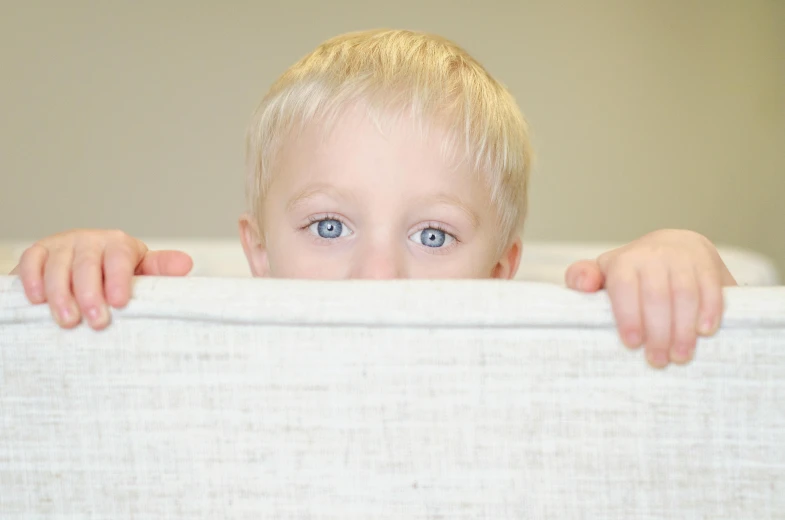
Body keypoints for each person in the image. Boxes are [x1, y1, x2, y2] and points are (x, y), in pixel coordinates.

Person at [9, 29, 736, 368]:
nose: (378, 277)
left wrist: (679, 260)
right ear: (257, 252)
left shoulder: (531, 358)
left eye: (431, 235)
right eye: (329, 225)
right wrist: (86, 272)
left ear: (500, 268)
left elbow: (731, 376)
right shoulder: (207, 350)